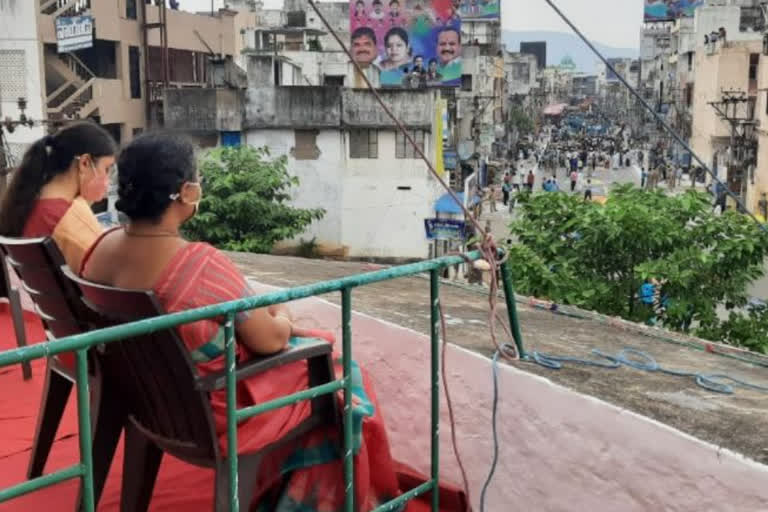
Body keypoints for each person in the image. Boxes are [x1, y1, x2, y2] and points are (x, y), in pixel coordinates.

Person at [80, 133, 467, 510]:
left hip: (147, 401)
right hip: (215, 416)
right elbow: (269, 340)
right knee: (342, 378)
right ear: (185, 193)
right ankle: (329, 500)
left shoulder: (99, 250)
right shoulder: (198, 266)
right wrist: (282, 315)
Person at [0, 121, 117, 271]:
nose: (108, 178)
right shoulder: (66, 217)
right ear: (85, 163)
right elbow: (108, 273)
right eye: (107, 169)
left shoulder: (29, 201)